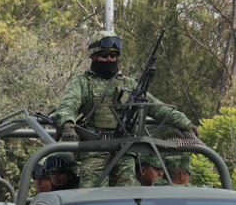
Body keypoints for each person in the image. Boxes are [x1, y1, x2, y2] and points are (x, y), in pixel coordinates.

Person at [54, 30, 199, 187]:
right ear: (93, 56)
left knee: (127, 198)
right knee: (92, 197)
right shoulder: (83, 83)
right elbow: (67, 105)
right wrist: (68, 126)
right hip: (94, 150)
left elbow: (156, 107)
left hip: (125, 150)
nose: (109, 58)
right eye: (104, 54)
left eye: (113, 55)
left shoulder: (129, 84)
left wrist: (184, 123)